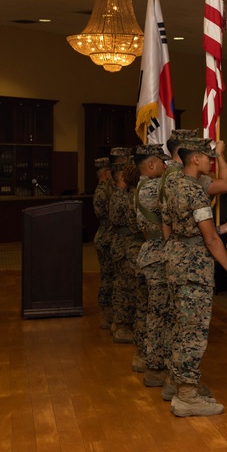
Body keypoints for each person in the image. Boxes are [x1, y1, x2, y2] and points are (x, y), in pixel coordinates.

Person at [161, 136, 227, 417]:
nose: (210, 160)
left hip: (176, 260)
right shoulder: (194, 191)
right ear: (195, 159)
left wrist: (218, 229)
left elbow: (170, 225)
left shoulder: (171, 184)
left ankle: (176, 384)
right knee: (192, 332)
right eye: (207, 156)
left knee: (179, 326)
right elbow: (210, 240)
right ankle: (186, 396)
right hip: (193, 268)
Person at [133, 143, 171, 386]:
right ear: (150, 164)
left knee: (148, 311)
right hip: (158, 256)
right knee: (160, 315)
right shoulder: (153, 187)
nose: (166, 166)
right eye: (162, 162)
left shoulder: (143, 185)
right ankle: (156, 368)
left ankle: (144, 358)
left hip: (149, 254)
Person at [108, 147, 140, 344]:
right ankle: (122, 326)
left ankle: (119, 323)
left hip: (122, 244)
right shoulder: (124, 195)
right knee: (126, 287)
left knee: (122, 285)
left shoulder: (121, 193)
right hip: (125, 245)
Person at [92, 157, 115, 329]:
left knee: (107, 275)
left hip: (104, 235)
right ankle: (107, 314)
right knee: (108, 276)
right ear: (106, 173)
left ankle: (108, 313)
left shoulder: (104, 190)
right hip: (107, 236)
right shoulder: (104, 192)